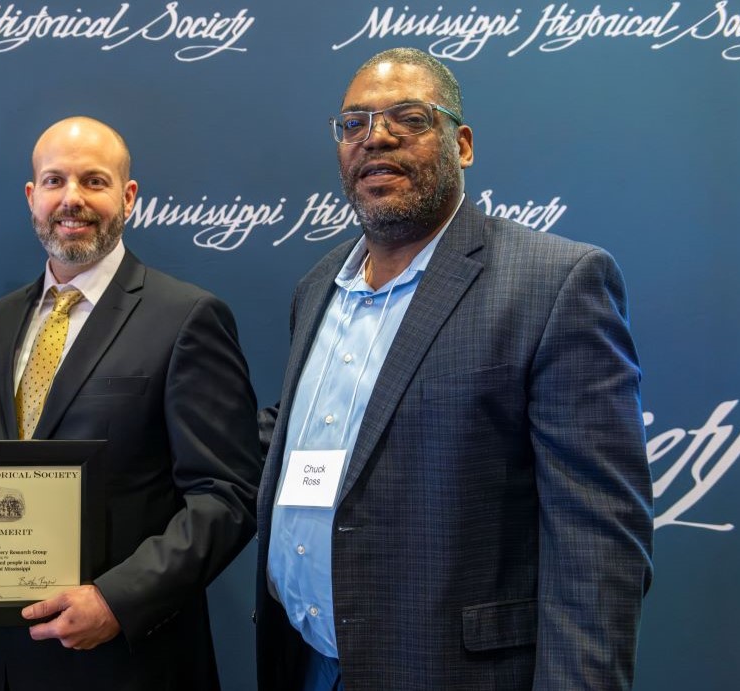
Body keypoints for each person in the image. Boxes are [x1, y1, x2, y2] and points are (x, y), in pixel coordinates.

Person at [255, 47, 654, 690]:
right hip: (307, 663)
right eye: (353, 123)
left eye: (407, 117)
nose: (374, 136)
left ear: (461, 144)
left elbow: (597, 546)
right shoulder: (316, 288)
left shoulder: (555, 283)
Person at [0, 116, 261, 691]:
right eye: (54, 181)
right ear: (32, 197)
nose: (72, 199)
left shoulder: (187, 317)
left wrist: (116, 601)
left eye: (93, 181)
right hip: (10, 659)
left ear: (128, 196)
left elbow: (227, 497)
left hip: (134, 659)